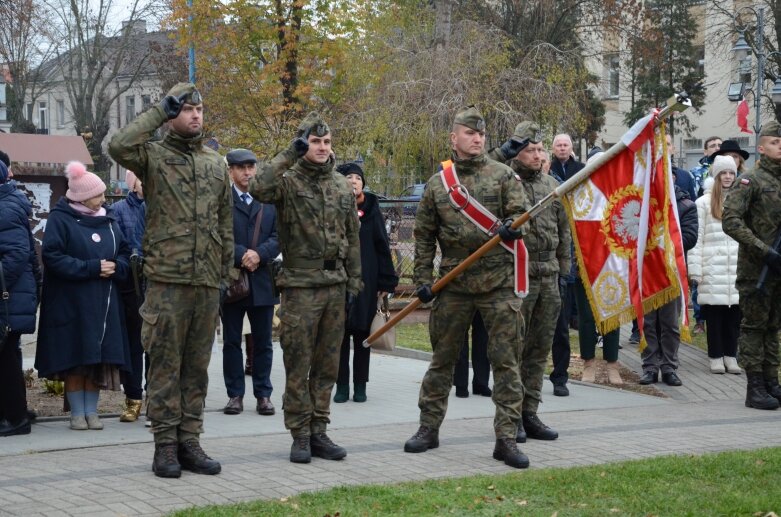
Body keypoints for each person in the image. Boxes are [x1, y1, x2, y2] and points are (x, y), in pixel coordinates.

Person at [109, 83, 232, 477]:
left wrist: (224, 275)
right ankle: (164, 445)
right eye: (186, 109)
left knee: (196, 368)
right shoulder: (154, 156)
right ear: (172, 114)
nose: (195, 115)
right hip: (166, 281)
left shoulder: (216, 164)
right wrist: (159, 111)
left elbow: (225, 224)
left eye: (200, 109)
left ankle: (190, 441)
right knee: (164, 367)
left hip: (206, 282)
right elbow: (118, 146)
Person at [403, 106, 530, 469]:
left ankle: (506, 438)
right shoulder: (437, 184)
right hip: (454, 282)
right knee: (442, 360)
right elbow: (424, 236)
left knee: (506, 362)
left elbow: (521, 217)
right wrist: (423, 281)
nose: (477, 139)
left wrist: (511, 227)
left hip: (497, 283)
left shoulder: (504, 175)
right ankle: (428, 428)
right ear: (453, 138)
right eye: (470, 133)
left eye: (481, 135)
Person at [248, 112, 362, 464]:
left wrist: (355, 279)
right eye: (315, 142)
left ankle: (319, 430)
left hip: (334, 285)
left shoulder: (341, 184)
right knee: (298, 362)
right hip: (300, 286)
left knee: (328, 364)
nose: (323, 148)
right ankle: (299, 433)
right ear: (303, 144)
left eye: (327, 142)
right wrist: (288, 153)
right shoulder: (288, 181)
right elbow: (258, 186)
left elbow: (351, 236)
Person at [34, 161, 131, 431]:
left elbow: (124, 252)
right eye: (98, 193)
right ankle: (77, 413)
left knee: (97, 358)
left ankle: (93, 412)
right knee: (76, 357)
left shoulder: (108, 220)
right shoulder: (60, 218)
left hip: (104, 302)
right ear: (82, 196)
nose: (103, 197)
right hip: (71, 303)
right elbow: (53, 257)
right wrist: (91, 268)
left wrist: (117, 267)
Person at [506, 122, 571, 442]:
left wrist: (564, 268)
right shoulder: (507, 181)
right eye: (530, 149)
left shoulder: (551, 185)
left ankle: (531, 412)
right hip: (519, 275)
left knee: (539, 349)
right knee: (514, 349)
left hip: (549, 275)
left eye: (540, 149)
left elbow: (563, 229)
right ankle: (511, 415)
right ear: (518, 152)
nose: (537, 155)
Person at [722, 120, 781, 410]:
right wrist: (763, 249)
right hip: (756, 268)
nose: (780, 147)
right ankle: (754, 386)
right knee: (754, 327)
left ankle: (772, 382)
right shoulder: (751, 181)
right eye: (775, 143)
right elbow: (730, 220)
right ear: (761, 148)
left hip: (778, 270)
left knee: (773, 327)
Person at [333, 162, 398, 404]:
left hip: (366, 281)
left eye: (357, 177)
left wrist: (386, 280)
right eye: (348, 177)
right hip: (339, 280)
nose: (353, 181)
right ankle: (341, 386)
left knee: (363, 335)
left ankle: (360, 385)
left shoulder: (372, 210)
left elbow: (382, 246)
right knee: (339, 336)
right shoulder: (333, 208)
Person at [221, 149, 279, 416]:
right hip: (233, 282)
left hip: (263, 280)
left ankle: (263, 394)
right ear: (231, 171)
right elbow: (217, 234)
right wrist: (240, 255)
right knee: (232, 341)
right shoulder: (223, 200)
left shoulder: (268, 199)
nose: (247, 172)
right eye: (241, 168)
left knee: (264, 342)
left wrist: (260, 254)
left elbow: (280, 235)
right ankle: (235, 395)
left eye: (251, 167)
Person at [638, 168, 698, 387]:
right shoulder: (643, 206)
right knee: (649, 323)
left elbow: (690, 238)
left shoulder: (686, 206)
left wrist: (663, 238)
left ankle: (669, 367)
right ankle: (650, 367)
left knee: (670, 324)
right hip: (646, 272)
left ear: (674, 179)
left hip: (671, 272)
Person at [687, 156, 741, 375]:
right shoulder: (703, 203)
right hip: (712, 267)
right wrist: (696, 270)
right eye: (723, 173)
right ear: (716, 176)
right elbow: (696, 239)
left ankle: (731, 356)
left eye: (731, 173)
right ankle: (716, 356)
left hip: (736, 268)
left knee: (734, 317)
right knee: (715, 317)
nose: (727, 177)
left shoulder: (740, 199)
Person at [573, 153, 622, 386]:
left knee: (612, 316)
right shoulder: (577, 194)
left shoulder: (617, 193)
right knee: (586, 319)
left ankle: (612, 364)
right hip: (585, 264)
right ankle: (589, 363)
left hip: (613, 265)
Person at [0, 159, 40, 437]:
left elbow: (14, 258)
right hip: (11, 297)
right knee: (7, 358)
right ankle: (14, 415)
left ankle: (15, 419)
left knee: (6, 361)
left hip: (8, 299)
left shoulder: (5, 208)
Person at [111, 170, 147, 423]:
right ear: (133, 184)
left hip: (158, 285)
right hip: (131, 288)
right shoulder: (119, 209)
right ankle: (133, 398)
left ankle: (156, 399)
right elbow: (118, 246)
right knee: (134, 345)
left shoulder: (164, 206)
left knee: (158, 348)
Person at [453, 312, 491, 398]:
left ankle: (481, 384)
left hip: (483, 299)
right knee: (460, 335)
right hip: (461, 300)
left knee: (483, 336)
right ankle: (461, 385)